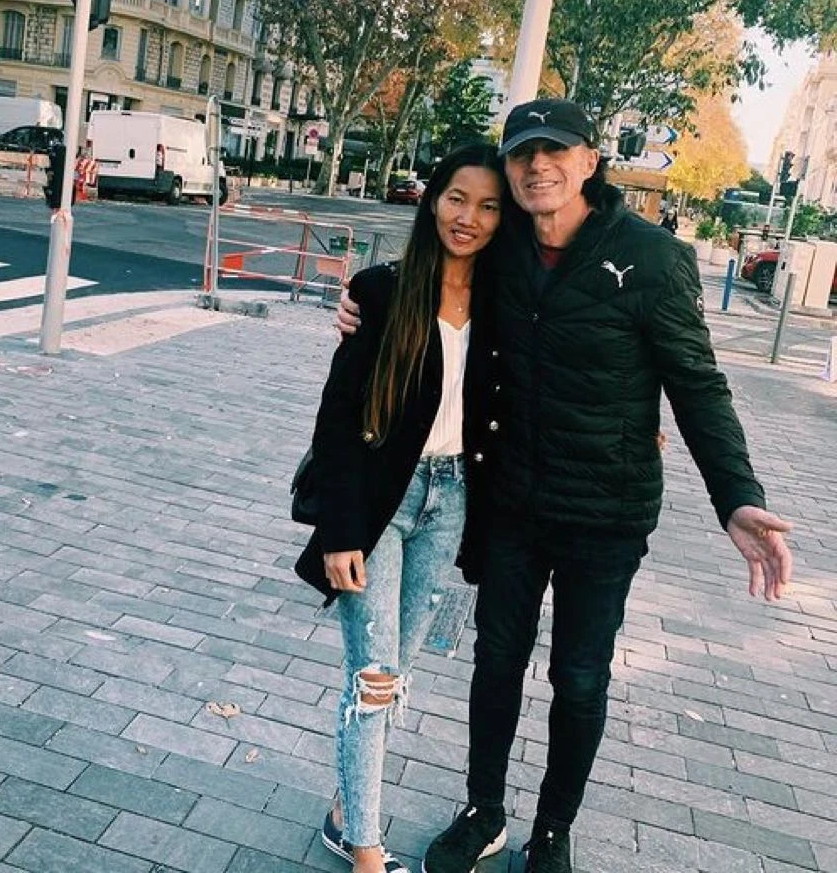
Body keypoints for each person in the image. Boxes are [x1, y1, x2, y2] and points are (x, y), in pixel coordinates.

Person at [336, 98, 793, 873]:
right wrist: (361, 302)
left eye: (556, 151)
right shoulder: (504, 245)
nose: (537, 166)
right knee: (496, 663)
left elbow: (697, 385)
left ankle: (553, 830)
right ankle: (484, 812)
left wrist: (737, 496)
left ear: (590, 161)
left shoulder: (652, 258)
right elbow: (431, 270)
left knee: (579, 678)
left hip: (606, 513)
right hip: (511, 503)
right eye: (523, 153)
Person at [296, 143, 505, 873]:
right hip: (381, 501)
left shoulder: (507, 305)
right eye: (457, 198)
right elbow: (338, 416)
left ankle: (344, 809)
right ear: (433, 200)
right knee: (374, 678)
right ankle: (365, 849)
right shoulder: (381, 291)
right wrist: (339, 530)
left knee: (397, 670)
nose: (467, 217)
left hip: (455, 502)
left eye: (488, 206)